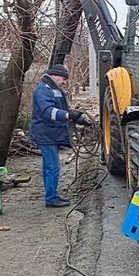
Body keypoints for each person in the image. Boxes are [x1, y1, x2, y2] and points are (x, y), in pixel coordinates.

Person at [31, 64, 93, 208]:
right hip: (45, 135)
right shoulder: (42, 91)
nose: (65, 81)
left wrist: (79, 119)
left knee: (49, 167)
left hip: (50, 134)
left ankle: (52, 195)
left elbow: (64, 109)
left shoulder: (54, 89)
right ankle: (51, 199)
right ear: (54, 75)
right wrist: (67, 115)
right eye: (63, 78)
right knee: (53, 167)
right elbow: (49, 112)